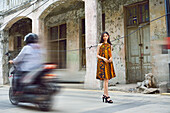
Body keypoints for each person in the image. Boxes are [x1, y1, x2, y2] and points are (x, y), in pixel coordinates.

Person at [96, 31, 116, 103]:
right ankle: (107, 96)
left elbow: (111, 55)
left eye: (106, 36)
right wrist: (103, 58)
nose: (105, 37)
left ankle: (105, 95)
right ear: (102, 37)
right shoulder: (100, 45)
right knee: (106, 80)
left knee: (106, 80)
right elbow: (97, 55)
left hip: (108, 63)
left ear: (108, 36)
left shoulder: (110, 45)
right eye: (104, 36)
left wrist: (111, 58)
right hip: (102, 63)